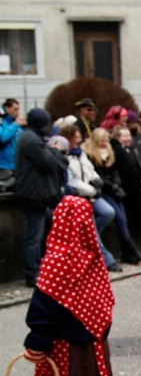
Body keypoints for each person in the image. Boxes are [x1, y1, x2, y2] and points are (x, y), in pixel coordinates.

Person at [23, 196, 114, 376]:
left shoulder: (55, 261)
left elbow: (43, 307)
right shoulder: (95, 259)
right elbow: (105, 301)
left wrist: (37, 342)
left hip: (62, 347)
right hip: (95, 345)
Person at [14, 109, 66, 287]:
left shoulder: (32, 138)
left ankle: (44, 268)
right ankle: (32, 273)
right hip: (33, 195)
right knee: (33, 236)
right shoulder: (31, 140)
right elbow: (48, 163)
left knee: (45, 231)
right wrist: (54, 152)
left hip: (37, 194)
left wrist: (53, 153)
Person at [62, 124, 122, 272]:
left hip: (92, 193)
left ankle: (87, 241)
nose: (79, 139)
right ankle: (106, 259)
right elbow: (73, 180)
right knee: (91, 226)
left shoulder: (80, 153)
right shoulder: (65, 156)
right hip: (80, 195)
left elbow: (89, 169)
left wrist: (96, 179)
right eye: (76, 137)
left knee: (108, 212)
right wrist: (91, 190)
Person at [83, 128, 141, 265]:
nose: (104, 142)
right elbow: (98, 176)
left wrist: (116, 183)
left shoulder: (109, 152)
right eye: (102, 140)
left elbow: (114, 171)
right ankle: (129, 249)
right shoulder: (91, 154)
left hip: (113, 189)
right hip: (104, 190)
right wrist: (112, 185)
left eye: (106, 140)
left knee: (123, 219)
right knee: (117, 217)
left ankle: (128, 250)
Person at [0, 97, 23, 186]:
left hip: (16, 165)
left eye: (18, 109)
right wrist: (15, 124)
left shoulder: (16, 124)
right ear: (7, 109)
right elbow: (2, 137)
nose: (18, 112)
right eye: (15, 109)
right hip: (4, 166)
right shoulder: (3, 121)